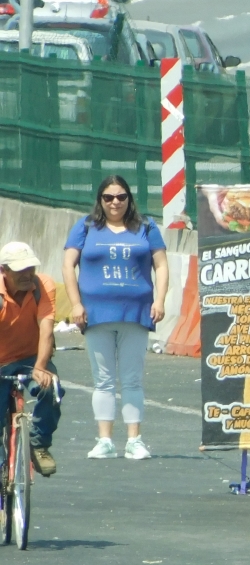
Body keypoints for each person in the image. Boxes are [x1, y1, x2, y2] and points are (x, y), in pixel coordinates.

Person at [63, 176, 168, 461]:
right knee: (104, 381)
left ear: (129, 198)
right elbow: (68, 264)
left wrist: (159, 300)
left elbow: (161, 264)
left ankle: (135, 440)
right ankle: (105, 440)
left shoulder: (146, 227)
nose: (115, 203)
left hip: (136, 313)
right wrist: (75, 304)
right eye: (108, 197)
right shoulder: (86, 227)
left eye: (121, 197)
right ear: (100, 200)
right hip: (96, 314)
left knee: (132, 380)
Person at [0, 241, 61, 476]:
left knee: (50, 387)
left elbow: (46, 329)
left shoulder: (42, 285)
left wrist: (41, 367)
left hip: (31, 356)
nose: (27, 275)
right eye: (20, 270)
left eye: (31, 268)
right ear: (4, 270)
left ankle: (39, 443)